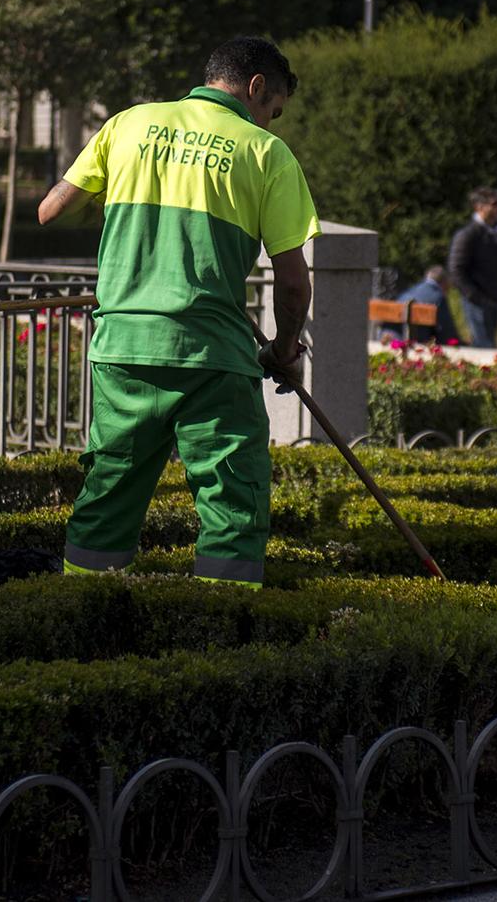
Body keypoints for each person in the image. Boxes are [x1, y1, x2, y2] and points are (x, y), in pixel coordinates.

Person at [38, 36, 318, 588]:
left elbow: (50, 212)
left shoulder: (128, 124)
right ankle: (219, 631)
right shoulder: (266, 153)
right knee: (233, 503)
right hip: (214, 356)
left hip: (123, 347)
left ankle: (79, 609)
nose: (271, 123)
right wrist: (285, 351)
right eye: (273, 111)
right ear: (256, 87)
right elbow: (292, 284)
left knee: (109, 491)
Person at [447, 186, 497, 348]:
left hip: (493, 298)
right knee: (484, 346)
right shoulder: (468, 234)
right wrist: (474, 295)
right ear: (479, 206)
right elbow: (455, 269)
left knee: (489, 344)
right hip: (477, 301)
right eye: (495, 204)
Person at [392, 265, 452, 343]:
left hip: (394, 337)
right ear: (444, 282)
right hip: (418, 343)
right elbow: (447, 331)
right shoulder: (438, 297)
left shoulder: (409, 291)